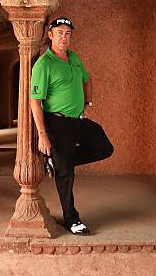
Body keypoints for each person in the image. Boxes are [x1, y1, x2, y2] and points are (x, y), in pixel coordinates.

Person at [30, 17, 114, 235]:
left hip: (78, 119)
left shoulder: (74, 57)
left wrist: (87, 103)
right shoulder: (44, 64)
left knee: (104, 147)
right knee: (66, 174)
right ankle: (72, 219)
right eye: (59, 32)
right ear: (50, 35)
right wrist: (42, 134)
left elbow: (87, 79)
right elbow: (35, 101)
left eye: (67, 33)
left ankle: (59, 161)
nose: (64, 37)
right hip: (57, 122)